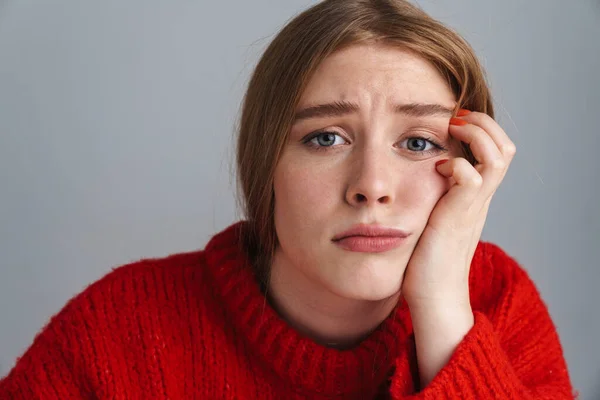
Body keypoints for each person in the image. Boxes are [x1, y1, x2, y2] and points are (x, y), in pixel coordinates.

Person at [0, 0, 576, 398]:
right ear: (264, 162)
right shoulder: (117, 330)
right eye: (325, 138)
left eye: (419, 142)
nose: (372, 185)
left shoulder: (498, 302)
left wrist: (445, 311)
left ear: (469, 170)